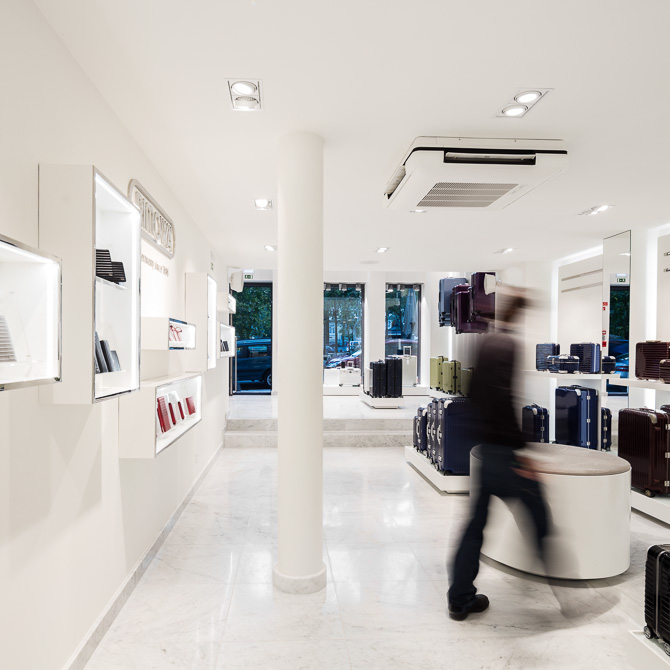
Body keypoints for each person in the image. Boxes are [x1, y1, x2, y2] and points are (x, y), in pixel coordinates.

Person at [447, 291, 550, 621]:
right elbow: (505, 399)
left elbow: (474, 394)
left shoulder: (486, 343)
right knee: (540, 514)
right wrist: (521, 451)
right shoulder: (509, 345)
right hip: (503, 451)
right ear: (518, 315)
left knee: (474, 527)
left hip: (484, 449)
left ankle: (460, 599)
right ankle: (564, 593)